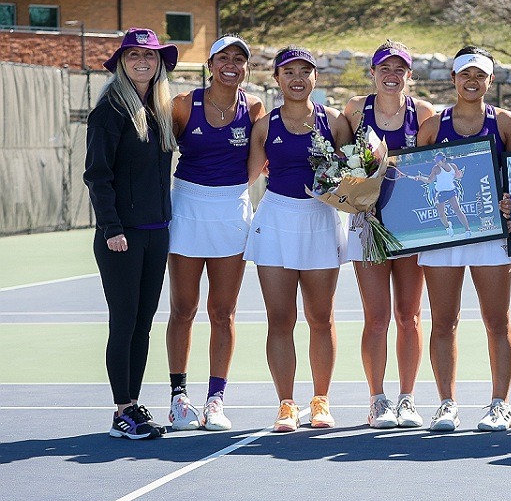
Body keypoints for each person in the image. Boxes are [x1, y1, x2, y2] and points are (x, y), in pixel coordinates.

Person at [244, 46, 352, 432]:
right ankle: (286, 405)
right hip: (275, 221)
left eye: (305, 71)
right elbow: (246, 176)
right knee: (280, 319)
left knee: (320, 318)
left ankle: (320, 401)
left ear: (315, 78)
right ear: (277, 79)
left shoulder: (336, 122)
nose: (297, 78)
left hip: (320, 220)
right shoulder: (264, 126)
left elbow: (356, 174)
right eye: (289, 71)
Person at [417, 46, 511, 432]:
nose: (472, 81)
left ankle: (500, 404)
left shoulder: (506, 123)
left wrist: (510, 203)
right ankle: (447, 404)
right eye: (465, 74)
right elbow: (418, 180)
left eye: (480, 75)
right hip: (443, 237)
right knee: (444, 322)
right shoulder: (433, 126)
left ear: (490, 80)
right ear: (453, 79)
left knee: (497, 320)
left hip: (489, 234)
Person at [165, 35, 266, 432]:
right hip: (188, 208)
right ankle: (179, 399)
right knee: (184, 308)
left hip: (231, 211)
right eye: (223, 57)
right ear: (210, 64)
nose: (231, 64)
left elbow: (260, 162)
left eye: (239, 59)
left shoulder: (255, 108)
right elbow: (155, 152)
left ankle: (215, 401)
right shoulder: (182, 105)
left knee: (222, 312)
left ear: (245, 68)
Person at [84, 28, 177, 439]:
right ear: (122, 61)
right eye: (135, 55)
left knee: (143, 324)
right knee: (123, 323)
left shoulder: (159, 109)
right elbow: (97, 176)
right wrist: (111, 228)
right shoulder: (110, 111)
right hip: (122, 236)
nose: (144, 62)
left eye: (151, 56)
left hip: (156, 232)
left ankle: (133, 404)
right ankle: (121, 409)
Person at [343, 40, 435, 429]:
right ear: (373, 73)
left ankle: (408, 398)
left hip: (411, 227)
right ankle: (377, 399)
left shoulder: (425, 114)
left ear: (409, 75)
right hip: (368, 223)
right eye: (385, 68)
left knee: (409, 316)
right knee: (376, 317)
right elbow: (338, 160)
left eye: (400, 69)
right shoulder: (354, 110)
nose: (392, 75)